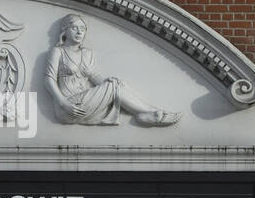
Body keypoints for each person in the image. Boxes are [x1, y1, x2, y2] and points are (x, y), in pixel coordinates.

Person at [45, 14, 179, 127]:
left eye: (82, 29)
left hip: (87, 101)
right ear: (65, 30)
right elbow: (49, 79)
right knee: (113, 86)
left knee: (116, 83)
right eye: (74, 28)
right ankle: (151, 113)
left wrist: (105, 80)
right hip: (69, 106)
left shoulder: (87, 53)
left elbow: (93, 76)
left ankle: (151, 112)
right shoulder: (58, 51)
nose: (79, 32)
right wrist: (64, 103)